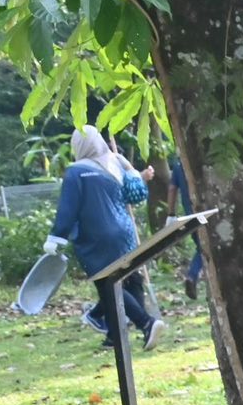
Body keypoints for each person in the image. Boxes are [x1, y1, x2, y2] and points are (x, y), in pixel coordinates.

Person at [47, 126, 165, 351]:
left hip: (97, 237)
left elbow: (68, 209)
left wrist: (57, 236)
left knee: (108, 285)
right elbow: (134, 193)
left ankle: (146, 322)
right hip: (125, 232)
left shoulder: (76, 171)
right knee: (129, 278)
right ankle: (115, 336)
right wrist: (136, 172)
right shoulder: (115, 162)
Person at [167, 156, 206, 301]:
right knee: (204, 248)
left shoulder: (178, 165)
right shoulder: (198, 160)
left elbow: (172, 189)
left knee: (202, 248)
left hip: (191, 215)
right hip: (205, 212)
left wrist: (171, 214)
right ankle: (192, 275)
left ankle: (193, 275)